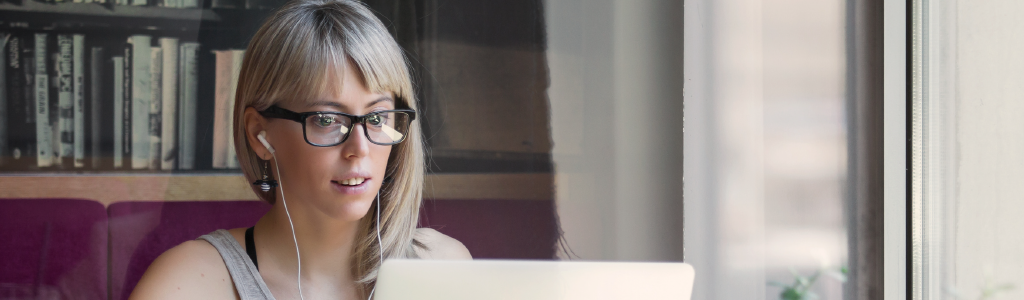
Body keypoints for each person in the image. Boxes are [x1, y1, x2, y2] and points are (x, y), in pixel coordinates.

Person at [130, 0, 471, 299]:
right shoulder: (189, 284)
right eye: (326, 119)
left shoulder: (442, 267)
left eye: (378, 116)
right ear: (259, 134)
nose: (359, 148)